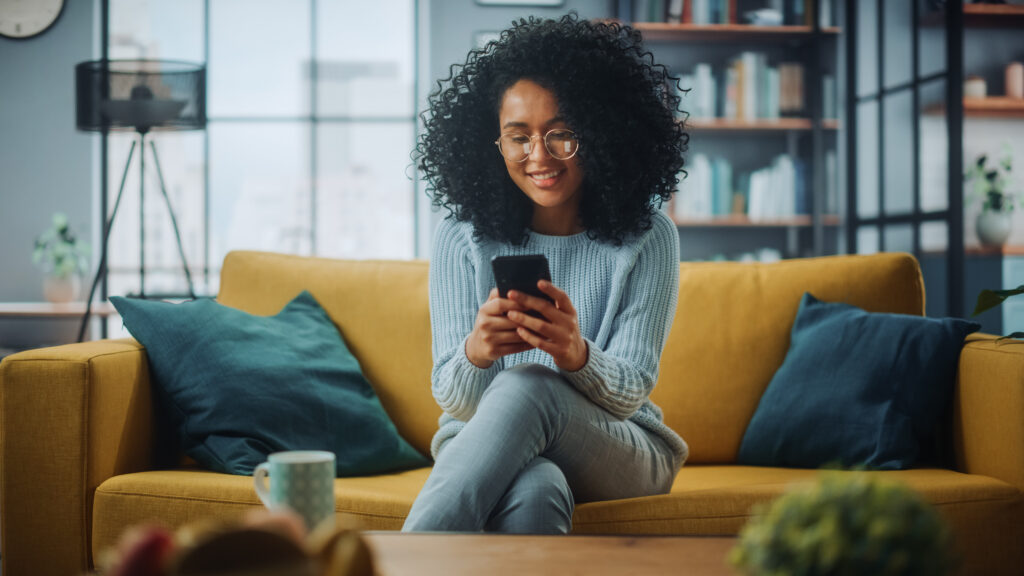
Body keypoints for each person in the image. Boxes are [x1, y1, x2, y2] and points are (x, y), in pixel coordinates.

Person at [402, 13, 689, 534]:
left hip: (620, 450)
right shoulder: (460, 236)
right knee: (538, 489)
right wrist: (478, 351)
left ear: (602, 135)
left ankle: (397, 564)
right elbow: (456, 400)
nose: (539, 156)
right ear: (494, 144)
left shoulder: (650, 237)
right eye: (518, 137)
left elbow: (629, 394)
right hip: (484, 445)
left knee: (531, 383)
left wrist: (575, 354)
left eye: (562, 135)